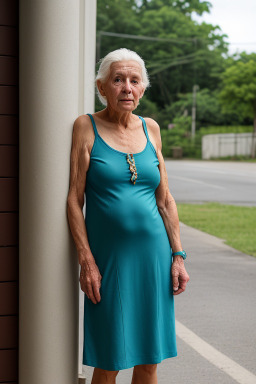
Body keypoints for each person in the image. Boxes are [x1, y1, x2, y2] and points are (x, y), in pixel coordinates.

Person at [67, 48, 190, 384]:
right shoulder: (86, 126)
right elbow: (74, 200)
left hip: (154, 258)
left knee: (149, 359)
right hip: (110, 262)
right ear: (102, 86)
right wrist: (86, 261)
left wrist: (178, 256)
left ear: (143, 88)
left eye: (134, 81)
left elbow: (165, 200)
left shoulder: (151, 128)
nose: (126, 87)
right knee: (110, 359)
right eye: (118, 80)